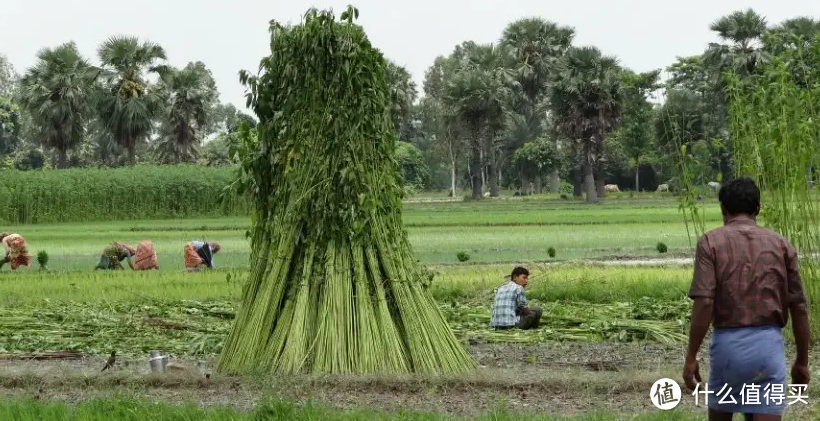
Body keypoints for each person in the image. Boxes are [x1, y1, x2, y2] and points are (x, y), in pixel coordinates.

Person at [683, 177, 810, 421]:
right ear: (758, 208)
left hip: (727, 348)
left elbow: (705, 302)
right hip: (768, 347)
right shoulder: (781, 244)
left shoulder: (710, 242)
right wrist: (802, 362)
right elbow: (799, 307)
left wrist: (691, 356)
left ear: (723, 209)